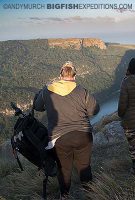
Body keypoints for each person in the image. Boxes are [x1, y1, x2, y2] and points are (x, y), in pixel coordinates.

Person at [34, 61, 100, 198]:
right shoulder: (82, 90)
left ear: (60, 75)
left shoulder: (48, 90)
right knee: (84, 165)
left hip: (60, 138)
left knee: (64, 169)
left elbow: (38, 107)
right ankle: (90, 193)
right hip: (83, 135)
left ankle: (64, 195)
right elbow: (95, 110)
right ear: (74, 76)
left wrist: (43, 91)